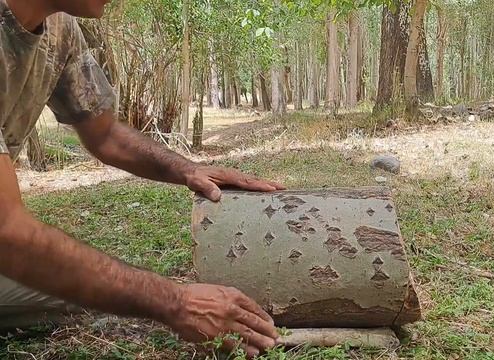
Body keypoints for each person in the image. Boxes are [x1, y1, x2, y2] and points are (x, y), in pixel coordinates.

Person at [0, 0, 284, 357]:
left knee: (76, 289)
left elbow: (105, 134)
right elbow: (6, 232)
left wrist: (187, 170)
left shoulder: (60, 30)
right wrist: (176, 301)